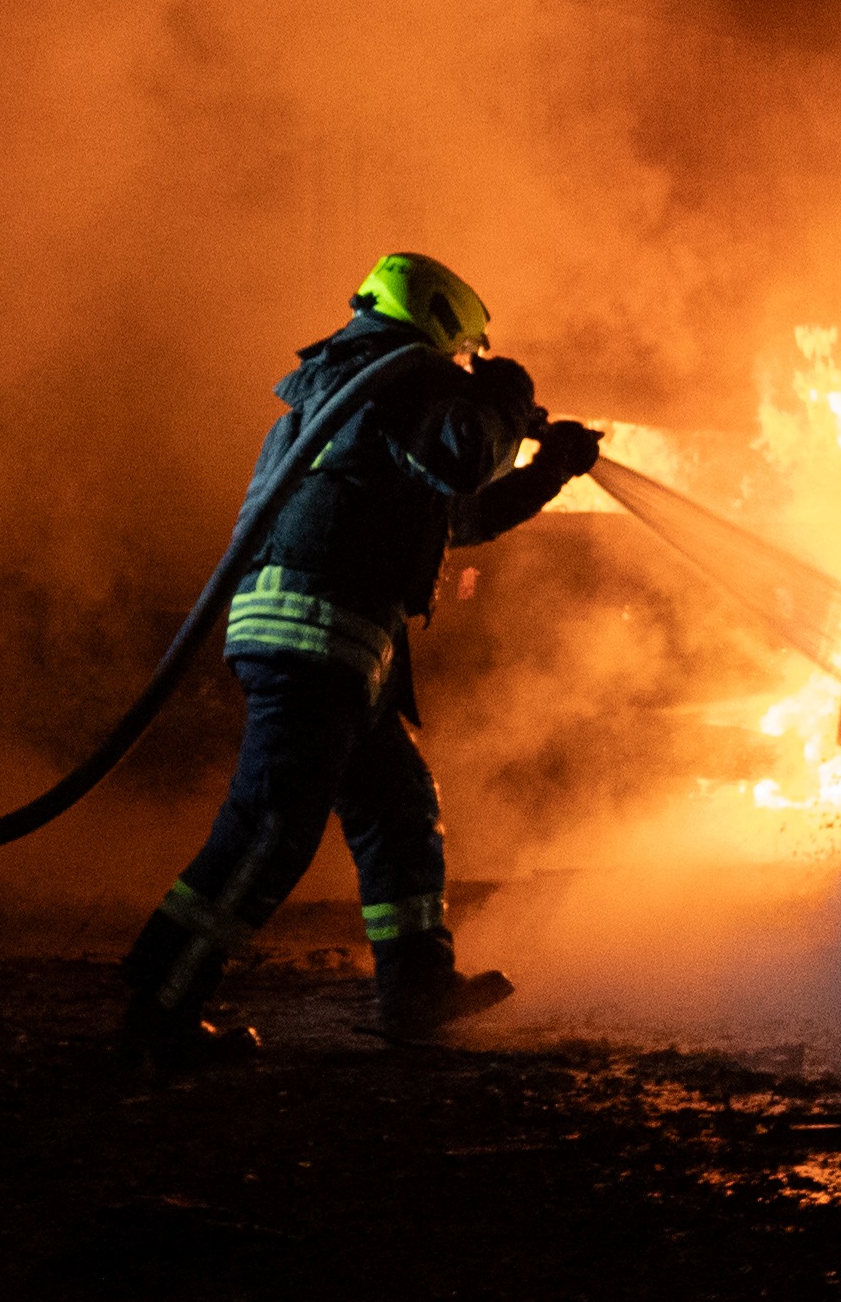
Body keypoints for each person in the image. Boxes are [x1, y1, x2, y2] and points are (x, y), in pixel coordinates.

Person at [120, 248, 599, 1062]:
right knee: (271, 827)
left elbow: (456, 514)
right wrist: (508, 394)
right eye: (465, 351)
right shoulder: (390, 378)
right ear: (441, 322)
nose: (464, 365)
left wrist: (550, 467)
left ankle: (416, 988)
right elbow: (463, 458)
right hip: (314, 632)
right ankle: (160, 1005)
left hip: (337, 644)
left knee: (398, 811)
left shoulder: (363, 389)